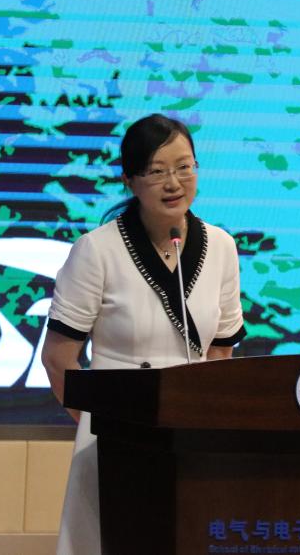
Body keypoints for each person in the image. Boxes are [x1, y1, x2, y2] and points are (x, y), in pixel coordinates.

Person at [41, 113, 246, 555]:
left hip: (191, 436)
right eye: (156, 171)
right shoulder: (97, 250)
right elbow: (58, 358)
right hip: (115, 437)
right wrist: (97, 422)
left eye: (184, 167)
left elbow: (220, 351)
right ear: (130, 179)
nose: (174, 183)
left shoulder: (222, 247)